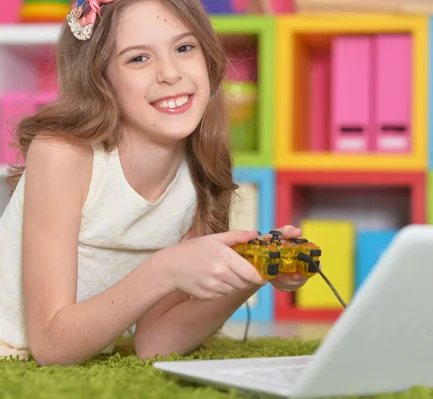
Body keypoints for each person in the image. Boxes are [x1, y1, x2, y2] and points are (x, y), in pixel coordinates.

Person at [0, 0, 308, 366]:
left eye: (183, 48)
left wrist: (255, 271)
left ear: (208, 58)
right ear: (100, 80)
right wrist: (166, 268)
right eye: (138, 59)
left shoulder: (196, 173)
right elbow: (52, 347)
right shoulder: (63, 155)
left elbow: (156, 342)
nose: (169, 73)